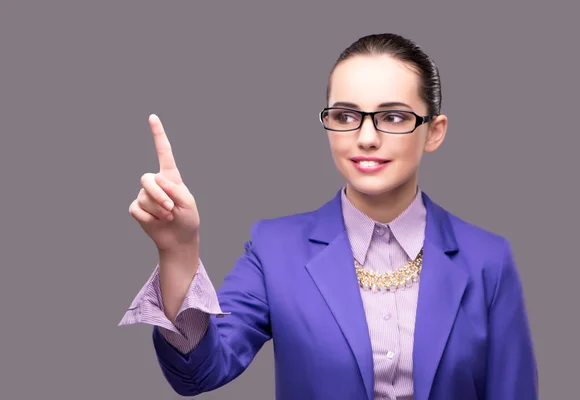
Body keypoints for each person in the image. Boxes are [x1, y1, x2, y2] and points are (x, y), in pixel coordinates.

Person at [119, 33, 538, 400]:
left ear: (434, 130)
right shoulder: (274, 249)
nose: (367, 138)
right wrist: (178, 251)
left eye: (393, 117)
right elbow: (198, 373)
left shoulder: (488, 260)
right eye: (345, 116)